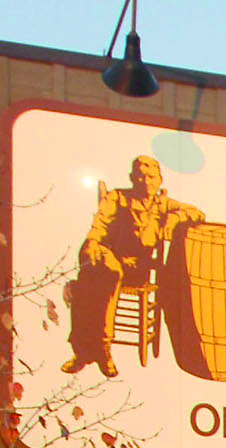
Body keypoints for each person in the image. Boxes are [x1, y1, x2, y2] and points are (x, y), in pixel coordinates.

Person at [64, 156, 204, 376]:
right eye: (140, 176)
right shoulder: (117, 198)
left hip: (138, 269)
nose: (145, 181)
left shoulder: (163, 204)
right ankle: (99, 349)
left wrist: (175, 218)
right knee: (101, 271)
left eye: (151, 177)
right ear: (132, 178)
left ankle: (92, 350)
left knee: (93, 280)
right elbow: (99, 226)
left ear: (159, 180)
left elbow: (198, 213)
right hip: (110, 260)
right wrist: (92, 244)